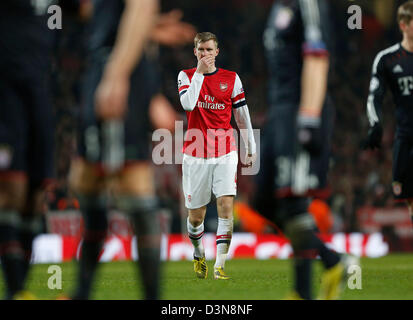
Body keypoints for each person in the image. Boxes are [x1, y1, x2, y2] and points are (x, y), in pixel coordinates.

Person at [255, 0, 358, 300]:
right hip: (279, 113)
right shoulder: (278, 7)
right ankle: (333, 260)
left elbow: (317, 56)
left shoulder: (308, 4)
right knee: (262, 200)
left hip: (301, 110)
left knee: (293, 201)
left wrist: (310, 117)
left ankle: (302, 292)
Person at [68, 0, 162, 300]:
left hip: (115, 69)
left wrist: (117, 75)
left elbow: (143, 5)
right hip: (102, 67)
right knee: (86, 178)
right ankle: (81, 292)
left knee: (133, 181)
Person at [177, 32, 257, 280]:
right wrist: (199, 73)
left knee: (225, 205)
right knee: (196, 216)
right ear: (195, 52)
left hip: (225, 150)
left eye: (209, 50)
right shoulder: (186, 76)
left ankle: (220, 265)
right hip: (195, 154)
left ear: (217, 52)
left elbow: (242, 116)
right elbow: (189, 104)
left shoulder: (231, 79)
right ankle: (199, 253)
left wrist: (250, 147)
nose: (205, 55)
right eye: (201, 50)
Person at [0, 0, 58, 300]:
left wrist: (146, 26)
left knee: (37, 193)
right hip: (5, 91)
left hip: (40, 91)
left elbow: (86, 11)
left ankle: (17, 289)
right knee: (10, 189)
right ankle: (15, 290)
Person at [364, 0, 413, 225]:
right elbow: (375, 96)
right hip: (406, 139)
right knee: (409, 200)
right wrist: (375, 124)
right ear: (403, 24)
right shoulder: (387, 60)